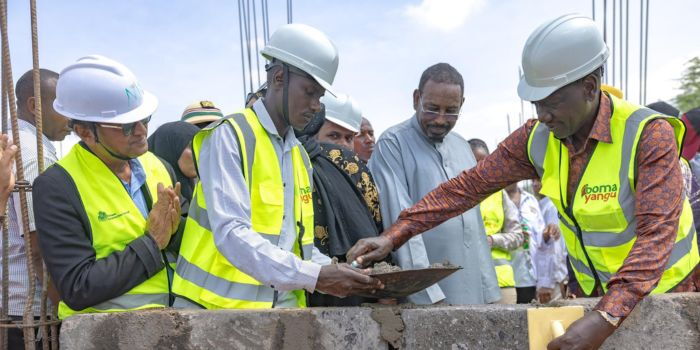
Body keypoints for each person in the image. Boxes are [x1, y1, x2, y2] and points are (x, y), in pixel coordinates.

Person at [348, 14, 699, 350]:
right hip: (597, 297)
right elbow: (466, 188)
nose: (542, 115)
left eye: (552, 104)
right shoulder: (538, 138)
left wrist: (606, 316)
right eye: (536, 104)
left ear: (590, 88)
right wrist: (395, 234)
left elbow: (655, 237)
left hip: (665, 297)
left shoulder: (648, 135)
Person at [171, 23, 382, 310]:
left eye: (319, 96)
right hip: (213, 315)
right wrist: (317, 276)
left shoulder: (298, 156)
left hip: (279, 319)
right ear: (279, 77)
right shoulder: (230, 135)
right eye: (309, 92)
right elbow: (232, 234)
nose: (315, 106)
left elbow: (297, 247)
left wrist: (340, 271)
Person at [33, 55, 183, 319]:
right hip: (105, 336)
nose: (141, 130)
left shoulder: (158, 166)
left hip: (171, 326)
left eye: (145, 118)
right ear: (85, 132)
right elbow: (78, 286)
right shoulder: (57, 186)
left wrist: (178, 232)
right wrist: (152, 243)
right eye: (126, 126)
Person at [368, 63, 500, 305]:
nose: (440, 120)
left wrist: (490, 292)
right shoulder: (392, 144)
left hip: (473, 292)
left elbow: (475, 228)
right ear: (416, 98)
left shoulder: (463, 147)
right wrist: (431, 297)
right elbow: (401, 224)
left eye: (451, 111)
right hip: (427, 300)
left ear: (462, 105)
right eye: (432, 108)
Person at [0, 69, 68, 346]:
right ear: (34, 106)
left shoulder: (15, 142)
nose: (70, 116)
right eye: (61, 105)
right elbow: (39, 243)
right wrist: (64, 306)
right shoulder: (30, 151)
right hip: (29, 313)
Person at [296, 93, 384, 306]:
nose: (342, 146)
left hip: (359, 289)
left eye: (348, 138)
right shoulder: (298, 171)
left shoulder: (362, 175)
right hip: (310, 288)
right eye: (334, 136)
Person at [469, 139, 524, 304]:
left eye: (483, 162)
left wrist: (492, 240)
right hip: (468, 283)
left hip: (501, 283)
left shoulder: (498, 193)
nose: (479, 167)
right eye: (473, 162)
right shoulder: (453, 194)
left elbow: (519, 236)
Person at [505, 182, 543, 304]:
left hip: (530, 275)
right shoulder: (494, 199)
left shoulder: (531, 199)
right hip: (505, 276)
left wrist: (547, 236)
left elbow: (540, 236)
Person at [532, 178, 568, 303]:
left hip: (551, 283)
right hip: (547, 280)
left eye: (539, 180)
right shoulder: (542, 205)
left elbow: (555, 249)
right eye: (533, 180)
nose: (535, 184)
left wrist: (547, 283)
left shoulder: (552, 207)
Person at [148, 121, 200, 205]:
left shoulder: (197, 187)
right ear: (170, 148)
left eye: (201, 146)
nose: (199, 153)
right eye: (192, 147)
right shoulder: (144, 189)